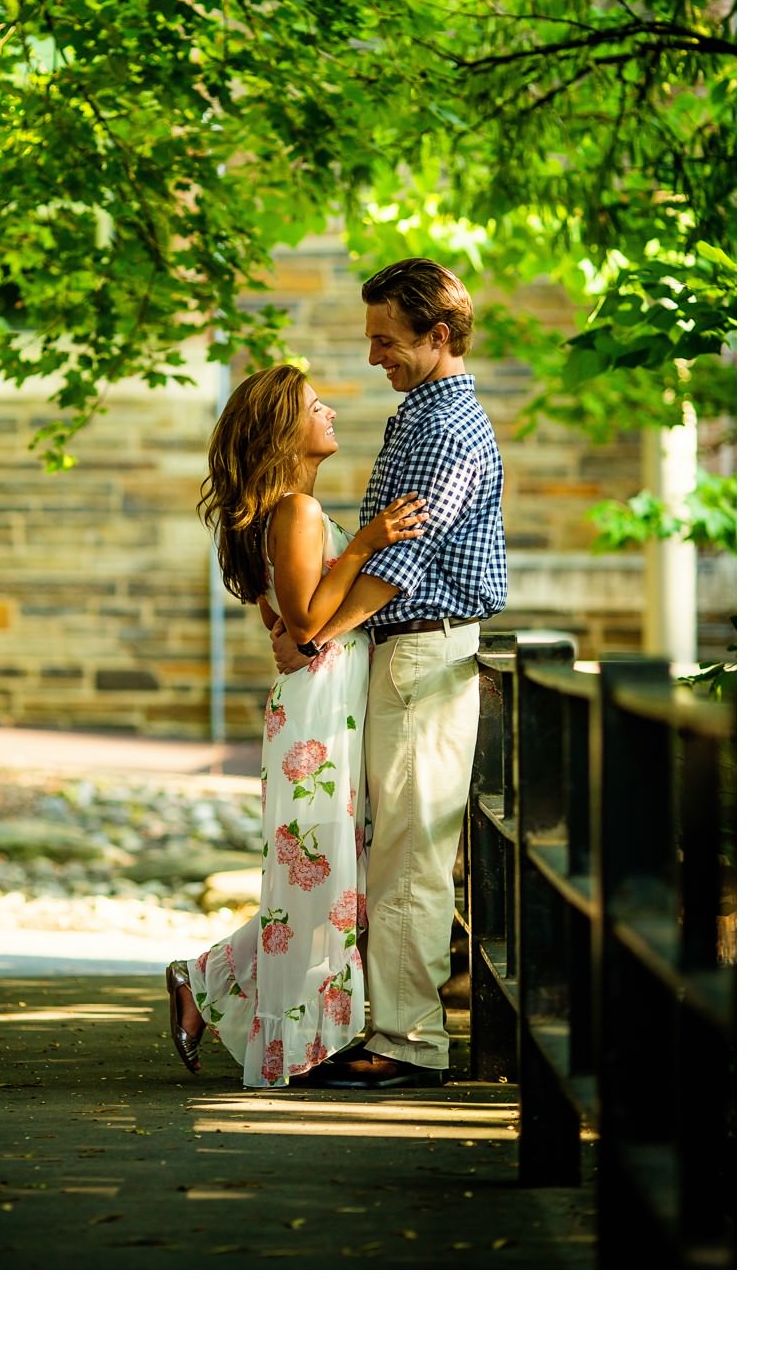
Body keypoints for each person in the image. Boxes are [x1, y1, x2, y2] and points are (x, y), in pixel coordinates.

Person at [270, 258, 507, 1089]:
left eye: (385, 339)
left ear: (436, 336)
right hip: (399, 652)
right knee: (386, 847)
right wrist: (314, 631)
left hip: (422, 650)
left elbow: (400, 559)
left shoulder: (445, 427)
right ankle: (380, 1026)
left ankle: (408, 1044)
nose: (373, 355)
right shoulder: (417, 415)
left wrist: (313, 635)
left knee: (410, 852)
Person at [165, 363, 428, 1089]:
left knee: (335, 879)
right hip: (317, 712)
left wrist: (307, 614)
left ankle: (207, 981)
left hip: (325, 702)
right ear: (286, 429)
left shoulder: (290, 511)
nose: (332, 411)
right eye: (317, 406)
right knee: (323, 880)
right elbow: (309, 622)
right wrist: (367, 542)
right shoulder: (296, 511)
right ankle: (304, 1046)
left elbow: (289, 617)